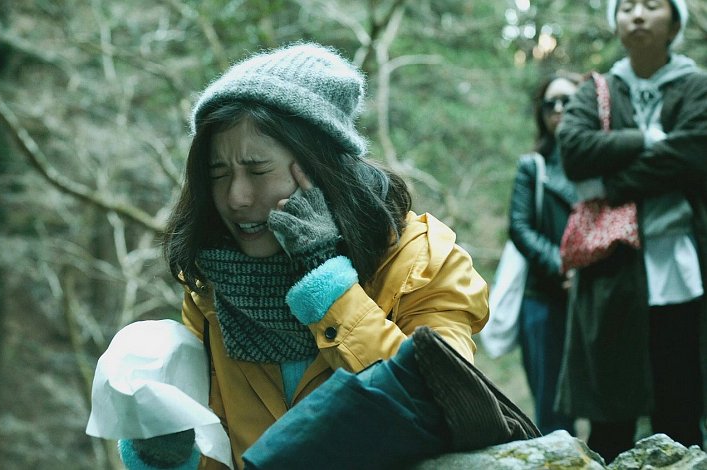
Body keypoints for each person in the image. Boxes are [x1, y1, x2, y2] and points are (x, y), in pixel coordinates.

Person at [115, 42, 535, 470]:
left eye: (258, 170)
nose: (236, 197)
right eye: (218, 173)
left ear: (319, 169)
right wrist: (172, 455)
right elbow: (225, 454)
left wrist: (328, 285)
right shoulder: (212, 289)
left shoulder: (425, 264)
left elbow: (441, 405)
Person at [556, 0, 706, 462]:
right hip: (613, 269)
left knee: (682, 407)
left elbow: (693, 154)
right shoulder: (596, 90)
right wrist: (646, 139)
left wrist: (609, 184)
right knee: (610, 415)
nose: (637, 14)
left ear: (675, 22)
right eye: (626, 7)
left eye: (652, 5)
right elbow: (573, 148)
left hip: (683, 261)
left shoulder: (696, 86)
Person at [508, 72, 581, 435]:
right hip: (543, 300)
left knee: (607, 409)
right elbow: (519, 227)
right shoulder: (532, 167)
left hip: (593, 300)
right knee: (552, 411)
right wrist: (562, 266)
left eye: (568, 101)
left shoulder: (600, 165)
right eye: (551, 103)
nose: (559, 109)